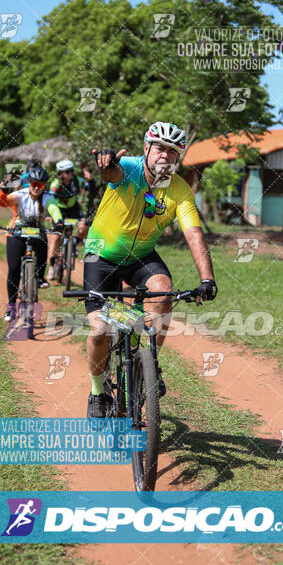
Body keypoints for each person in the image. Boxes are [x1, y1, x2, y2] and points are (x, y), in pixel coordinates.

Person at [84, 121, 218, 418]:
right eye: (159, 148)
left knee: (163, 291)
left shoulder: (179, 189)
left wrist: (207, 278)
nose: (165, 156)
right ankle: (96, 392)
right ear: (146, 147)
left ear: (178, 157)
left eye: (172, 151)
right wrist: (105, 165)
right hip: (101, 254)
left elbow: (194, 233)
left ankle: (148, 361)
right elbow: (111, 174)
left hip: (142, 255)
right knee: (98, 330)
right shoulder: (128, 168)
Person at [0, 166, 63, 321]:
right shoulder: (20, 194)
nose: (36, 187)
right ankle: (11, 307)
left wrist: (59, 221)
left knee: (43, 241)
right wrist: (4, 192)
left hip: (36, 231)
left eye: (39, 185)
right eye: (33, 184)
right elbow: (4, 202)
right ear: (29, 183)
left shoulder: (47, 197)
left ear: (44, 186)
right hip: (16, 231)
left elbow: (54, 209)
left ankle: (40, 278)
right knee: (13, 270)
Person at [47, 159, 95, 280]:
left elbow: (91, 189)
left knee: (85, 226)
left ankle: (73, 244)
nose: (70, 174)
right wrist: (49, 215)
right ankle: (52, 266)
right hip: (60, 210)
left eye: (72, 171)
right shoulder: (55, 184)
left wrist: (89, 179)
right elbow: (50, 200)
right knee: (56, 237)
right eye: (67, 172)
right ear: (60, 173)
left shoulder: (76, 180)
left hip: (73, 209)